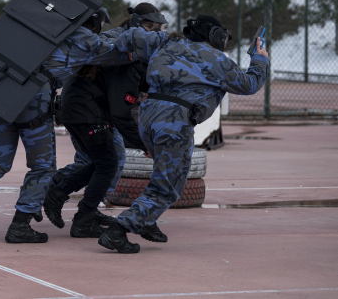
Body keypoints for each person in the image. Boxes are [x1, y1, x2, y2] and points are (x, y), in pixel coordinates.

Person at [0, 0, 132, 244]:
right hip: (33, 99)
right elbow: (118, 54)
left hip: (3, 89)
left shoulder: (43, 25)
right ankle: (20, 225)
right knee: (42, 167)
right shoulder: (84, 39)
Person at [99, 15, 269, 253]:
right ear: (215, 36)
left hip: (147, 117)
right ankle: (119, 230)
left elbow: (130, 35)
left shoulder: (165, 41)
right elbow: (250, 84)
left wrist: (97, 38)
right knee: (168, 186)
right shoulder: (217, 59)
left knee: (162, 173)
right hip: (174, 122)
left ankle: (147, 221)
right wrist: (260, 59)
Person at [43, 3, 168, 241]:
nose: (154, 34)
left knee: (103, 161)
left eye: (158, 29)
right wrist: (144, 145)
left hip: (82, 108)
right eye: (149, 28)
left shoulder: (127, 47)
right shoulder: (128, 51)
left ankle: (62, 195)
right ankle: (80, 217)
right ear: (136, 27)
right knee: (109, 163)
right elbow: (121, 112)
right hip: (86, 111)